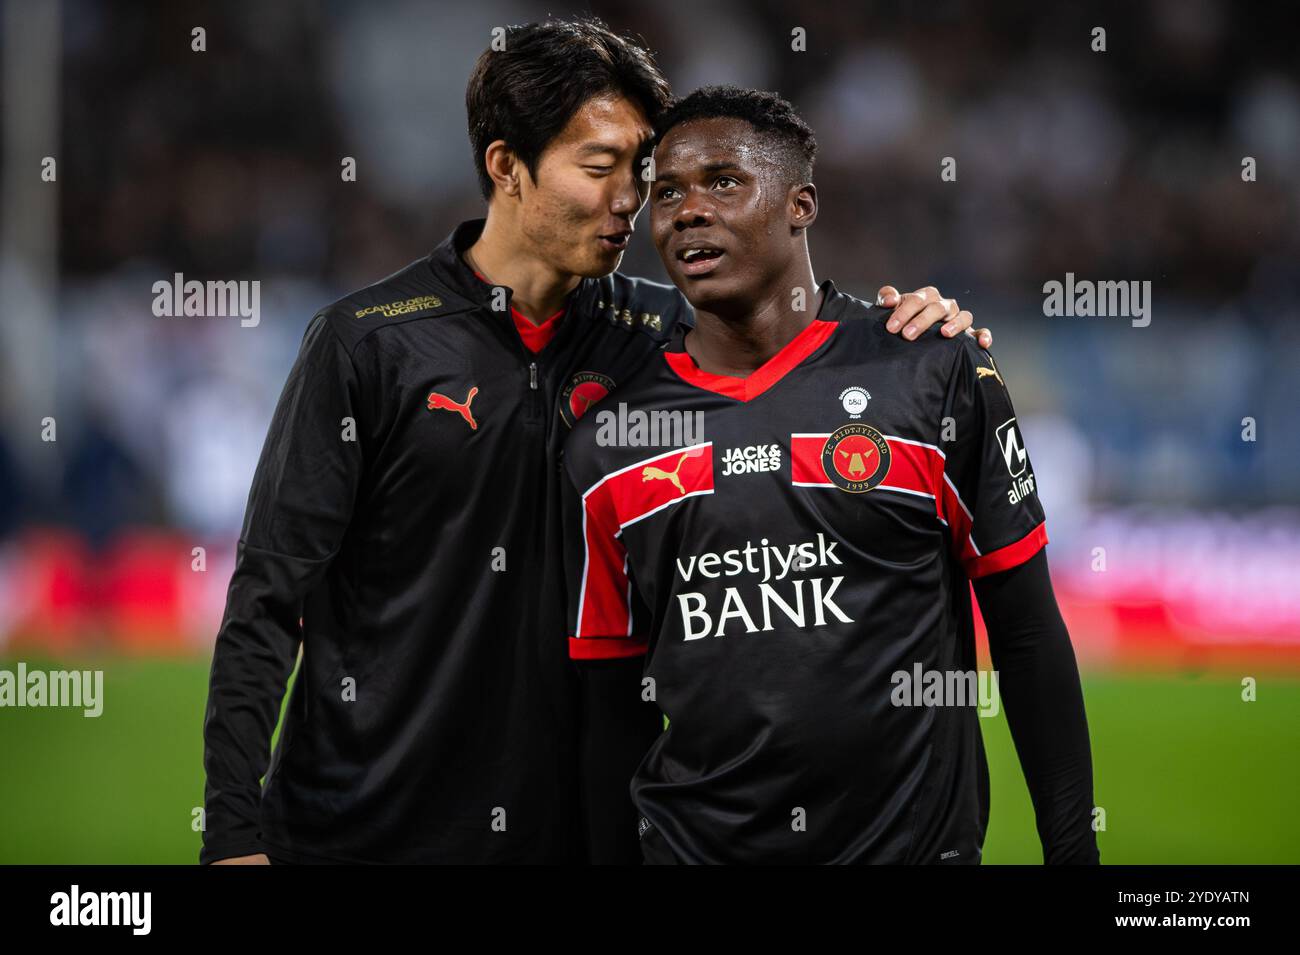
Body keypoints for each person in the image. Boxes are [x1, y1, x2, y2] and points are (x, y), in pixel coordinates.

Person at [201, 21, 988, 865]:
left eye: (639, 171)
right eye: (599, 165)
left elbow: (802, 351)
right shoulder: (368, 346)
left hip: (574, 834)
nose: (629, 200)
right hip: (362, 829)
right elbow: (266, 600)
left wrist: (915, 328)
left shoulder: (660, 334)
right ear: (507, 167)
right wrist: (233, 837)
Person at [562, 86, 1097, 864]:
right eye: (666, 192)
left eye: (723, 181)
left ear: (800, 202)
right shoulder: (611, 445)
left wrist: (1074, 852)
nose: (686, 211)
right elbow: (609, 713)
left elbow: (1025, 630)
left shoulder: (932, 367)